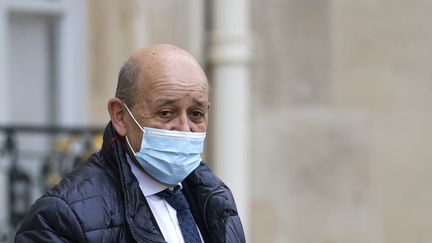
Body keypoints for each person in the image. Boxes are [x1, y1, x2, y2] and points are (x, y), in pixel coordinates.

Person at [15, 44, 245, 242]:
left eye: (196, 114)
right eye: (166, 113)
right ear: (120, 116)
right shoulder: (61, 217)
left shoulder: (216, 199)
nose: (184, 128)